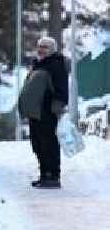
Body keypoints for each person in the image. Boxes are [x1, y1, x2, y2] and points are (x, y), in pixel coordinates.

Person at [18, 36, 68, 188]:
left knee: (49, 144)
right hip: (36, 113)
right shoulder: (39, 64)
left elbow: (61, 89)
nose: (40, 49)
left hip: (47, 112)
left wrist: (57, 107)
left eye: (45, 47)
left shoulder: (56, 65)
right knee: (38, 145)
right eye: (39, 46)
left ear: (52, 49)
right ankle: (44, 174)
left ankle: (53, 176)